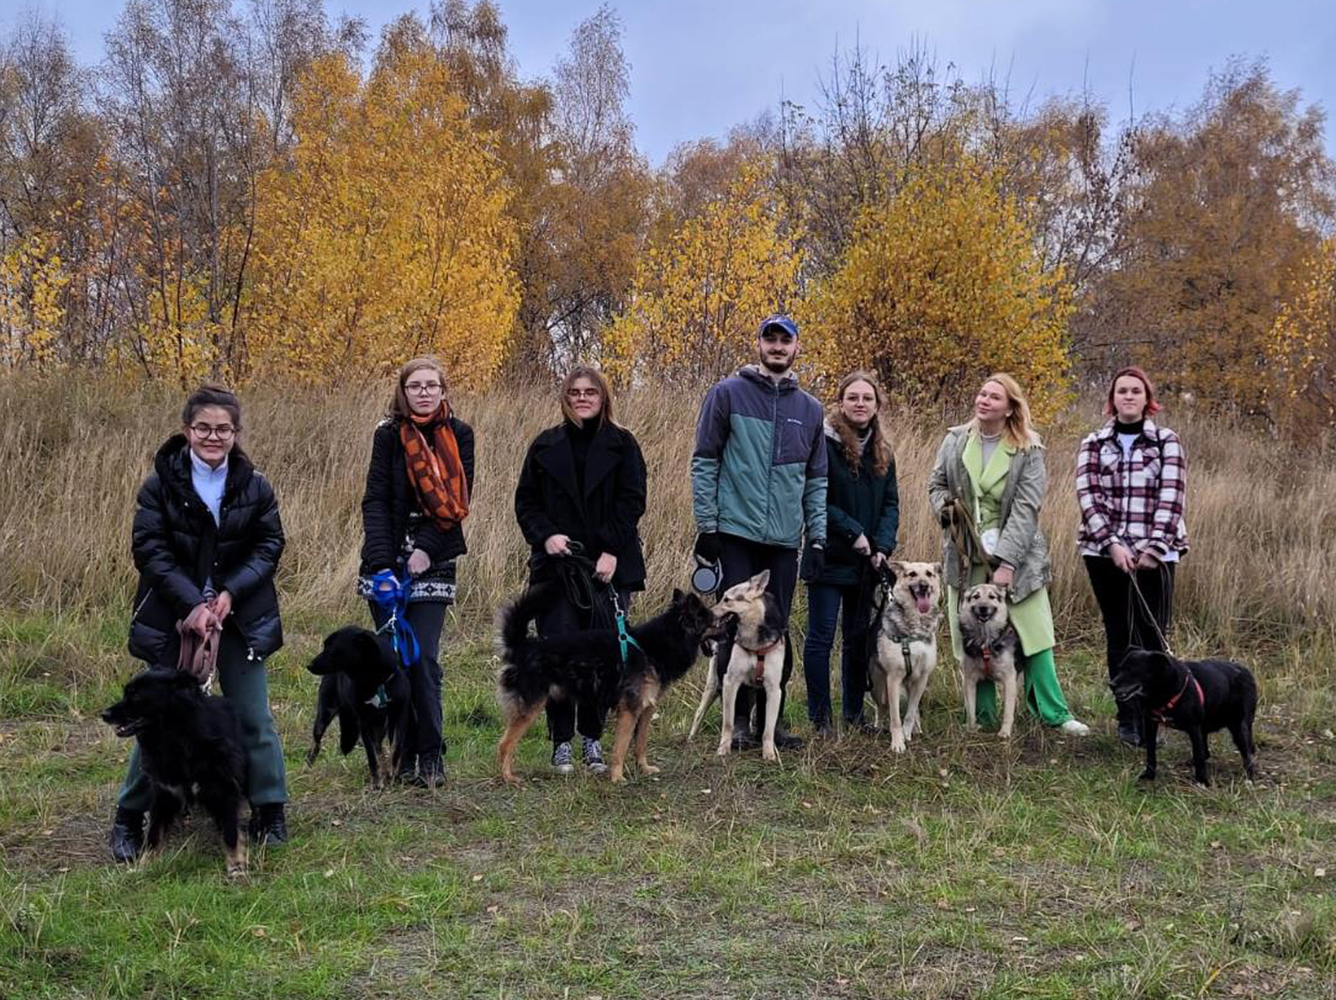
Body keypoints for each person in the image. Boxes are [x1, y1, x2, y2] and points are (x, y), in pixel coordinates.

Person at [110, 384, 288, 862]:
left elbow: (270, 545)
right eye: (204, 427)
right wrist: (192, 604)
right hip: (175, 617)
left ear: (236, 433)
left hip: (241, 615)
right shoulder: (159, 485)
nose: (214, 436)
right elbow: (149, 550)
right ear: (187, 430)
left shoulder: (255, 485)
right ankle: (130, 816)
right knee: (157, 718)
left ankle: (270, 810)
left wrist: (230, 593)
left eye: (223, 429)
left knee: (252, 716)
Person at [692, 314, 828, 749]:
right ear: (758, 344)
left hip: (785, 540)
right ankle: (736, 726)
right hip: (734, 531)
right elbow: (705, 461)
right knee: (734, 627)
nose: (776, 347)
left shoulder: (810, 409)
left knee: (777, 629)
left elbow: (817, 481)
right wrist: (707, 526)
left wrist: (818, 538)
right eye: (769, 339)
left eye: (784, 340)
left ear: (796, 347)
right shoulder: (727, 394)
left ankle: (771, 723)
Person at [929, 373, 1090, 736]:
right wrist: (945, 508)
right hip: (966, 554)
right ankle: (983, 719)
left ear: (1010, 407)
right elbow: (936, 483)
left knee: (1035, 636)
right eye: (982, 393)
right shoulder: (955, 440)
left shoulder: (1028, 449)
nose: (984, 400)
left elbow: (1026, 508)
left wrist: (1007, 562)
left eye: (994, 397)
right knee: (973, 635)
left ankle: (1054, 714)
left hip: (1018, 556)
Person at [514, 366, 648, 774]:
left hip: (607, 568)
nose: (583, 398)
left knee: (603, 658)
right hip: (556, 569)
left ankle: (592, 739)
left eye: (591, 391)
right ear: (565, 397)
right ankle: (561, 743)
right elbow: (526, 502)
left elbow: (632, 501)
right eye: (575, 392)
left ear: (603, 397)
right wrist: (546, 536)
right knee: (559, 653)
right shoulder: (544, 445)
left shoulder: (623, 444)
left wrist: (611, 550)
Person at [359, 357, 474, 787]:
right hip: (385, 558)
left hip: (435, 555)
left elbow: (457, 504)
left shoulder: (459, 435)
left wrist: (425, 549)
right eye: (415, 386)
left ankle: (431, 754)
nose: (423, 392)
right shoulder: (387, 436)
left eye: (431, 385)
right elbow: (375, 500)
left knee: (423, 657)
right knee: (392, 661)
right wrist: (384, 564)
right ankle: (402, 754)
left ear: (444, 391)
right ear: (402, 392)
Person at [1076, 366, 1188, 746]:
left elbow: (1172, 497)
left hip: (1156, 554)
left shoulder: (1166, 442)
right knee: (1120, 634)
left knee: (1152, 634)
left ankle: (1153, 716)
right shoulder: (1094, 442)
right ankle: (1127, 716)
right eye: (1121, 390)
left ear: (1146, 399)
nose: (1128, 396)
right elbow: (1088, 498)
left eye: (1135, 391)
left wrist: (1154, 548)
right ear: (1112, 398)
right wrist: (1112, 544)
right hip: (1104, 553)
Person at [802, 371, 899, 736]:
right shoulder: (822, 444)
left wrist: (882, 547)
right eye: (853, 397)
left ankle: (854, 716)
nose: (860, 404)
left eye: (868, 398)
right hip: (827, 556)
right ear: (840, 402)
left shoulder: (883, 450)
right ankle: (820, 719)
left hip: (866, 564)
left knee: (857, 640)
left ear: (876, 406)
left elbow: (891, 503)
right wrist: (853, 531)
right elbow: (816, 500)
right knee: (821, 638)